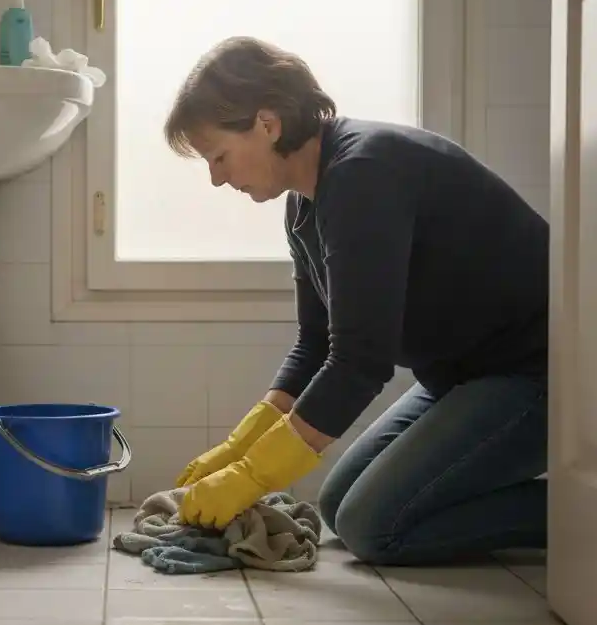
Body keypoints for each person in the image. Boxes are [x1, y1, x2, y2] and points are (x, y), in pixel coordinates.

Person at [165, 36, 549, 566]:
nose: (216, 178)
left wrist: (250, 477)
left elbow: (360, 364)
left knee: (375, 528)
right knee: (338, 506)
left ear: (267, 123)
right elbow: (315, 344)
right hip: (458, 377)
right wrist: (239, 447)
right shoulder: (304, 203)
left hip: (536, 376)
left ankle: (580, 518)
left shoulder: (363, 175)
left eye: (219, 156)